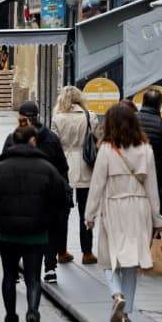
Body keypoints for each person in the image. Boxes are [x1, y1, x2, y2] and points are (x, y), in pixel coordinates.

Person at [85, 104, 162, 322]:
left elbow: (97, 186)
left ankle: (116, 294)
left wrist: (89, 215)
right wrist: (157, 219)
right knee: (132, 263)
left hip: (113, 207)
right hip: (139, 209)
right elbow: (152, 189)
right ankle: (126, 313)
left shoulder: (107, 150)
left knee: (108, 258)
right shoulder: (146, 150)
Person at [0, 126, 67, 322]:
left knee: (9, 275)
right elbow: (61, 200)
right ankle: (33, 311)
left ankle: (11, 316)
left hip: (7, 232)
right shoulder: (47, 168)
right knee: (33, 277)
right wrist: (52, 224)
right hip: (36, 232)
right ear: (33, 141)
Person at [3, 101, 72, 284]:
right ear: (38, 116)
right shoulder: (51, 137)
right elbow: (62, 167)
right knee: (49, 230)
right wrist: (64, 190)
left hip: (19, 193)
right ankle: (50, 268)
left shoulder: (13, 138)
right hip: (47, 193)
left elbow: (3, 165)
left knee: (21, 230)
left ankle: (17, 267)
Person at [50, 86, 100, 265]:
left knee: (62, 212)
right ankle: (87, 252)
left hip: (64, 168)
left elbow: (54, 143)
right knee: (85, 211)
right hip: (85, 166)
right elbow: (98, 137)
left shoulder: (57, 118)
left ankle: (61, 251)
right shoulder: (89, 116)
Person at [137, 89, 162, 219]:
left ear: (143, 102)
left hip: (133, 176)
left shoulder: (131, 122)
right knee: (157, 215)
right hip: (157, 177)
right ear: (160, 105)